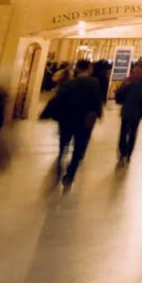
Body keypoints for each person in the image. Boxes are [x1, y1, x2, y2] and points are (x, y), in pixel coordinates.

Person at [42, 57, 104, 189]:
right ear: (88, 68)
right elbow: (96, 100)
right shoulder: (93, 83)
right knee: (78, 149)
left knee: (64, 142)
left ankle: (60, 161)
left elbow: (59, 99)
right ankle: (70, 174)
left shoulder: (69, 83)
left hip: (67, 118)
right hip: (84, 120)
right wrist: (99, 113)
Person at [115, 59, 142, 168]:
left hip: (129, 111)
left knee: (125, 133)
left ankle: (123, 152)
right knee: (131, 133)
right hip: (135, 112)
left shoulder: (129, 80)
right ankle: (126, 153)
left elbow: (119, 95)